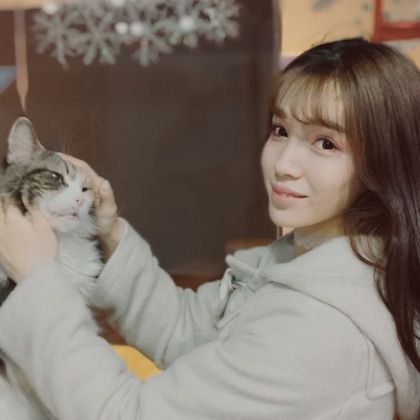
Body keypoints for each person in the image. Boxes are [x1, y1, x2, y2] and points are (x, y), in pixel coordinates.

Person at [0, 37, 418, 420]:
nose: (284, 164)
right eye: (280, 130)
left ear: (384, 163)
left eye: (326, 143)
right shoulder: (306, 260)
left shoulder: (321, 332)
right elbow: (188, 331)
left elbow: (127, 415)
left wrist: (38, 280)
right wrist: (108, 231)